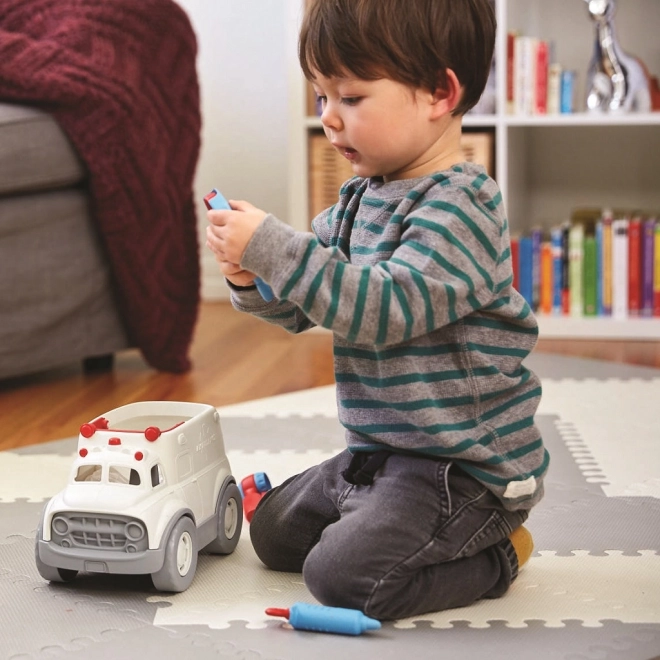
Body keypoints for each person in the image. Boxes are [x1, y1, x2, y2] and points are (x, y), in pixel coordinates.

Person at [206, 0, 549, 621]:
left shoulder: (463, 208)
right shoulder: (358, 200)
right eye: (320, 98)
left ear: (439, 93)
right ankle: (370, 511)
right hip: (380, 451)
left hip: (460, 469)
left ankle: (501, 552)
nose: (329, 119)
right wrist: (252, 277)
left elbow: (381, 308)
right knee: (274, 537)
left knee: (341, 578)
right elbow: (307, 303)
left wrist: (277, 248)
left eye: (351, 98)